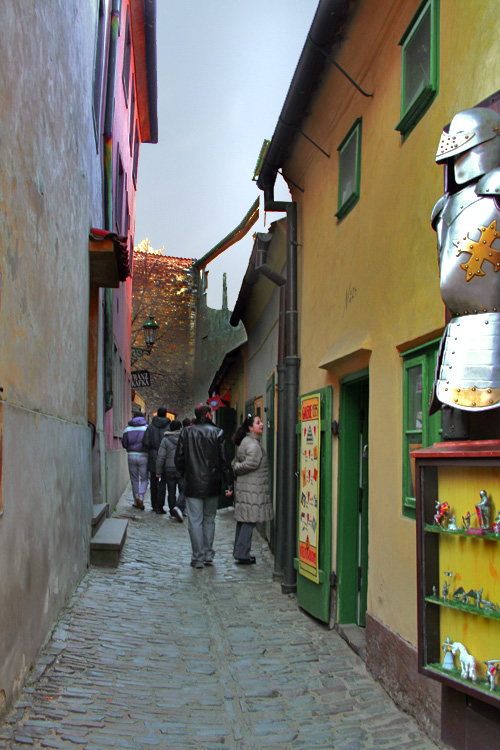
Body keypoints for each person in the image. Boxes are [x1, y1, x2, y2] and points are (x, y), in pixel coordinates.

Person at [175, 403, 233, 568]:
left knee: (195, 520)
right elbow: (225, 461)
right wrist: (228, 482)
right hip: (212, 483)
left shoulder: (186, 433)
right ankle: (208, 553)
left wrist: (183, 475)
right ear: (208, 414)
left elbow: (179, 458)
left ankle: (198, 557)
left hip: (193, 483)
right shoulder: (218, 433)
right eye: (211, 412)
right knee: (209, 520)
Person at [231, 415, 273, 564]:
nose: (261, 424)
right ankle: (242, 554)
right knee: (249, 521)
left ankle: (239, 551)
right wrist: (236, 468)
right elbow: (251, 464)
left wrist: (237, 467)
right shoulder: (254, 445)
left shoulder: (246, 441)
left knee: (244, 520)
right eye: (258, 423)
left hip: (247, 488)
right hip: (252, 489)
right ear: (250, 428)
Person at [142, 407, 171, 513]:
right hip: (166, 455)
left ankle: (154, 504)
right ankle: (160, 505)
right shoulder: (169, 426)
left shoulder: (150, 427)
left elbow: (145, 441)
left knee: (153, 482)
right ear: (166, 414)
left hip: (154, 455)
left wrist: (152, 447)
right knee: (163, 482)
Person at [156, 419, 185, 522]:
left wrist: (158, 470)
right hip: (181, 468)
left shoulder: (165, 439)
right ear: (180, 427)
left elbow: (161, 456)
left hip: (169, 468)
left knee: (171, 491)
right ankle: (181, 508)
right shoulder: (184, 438)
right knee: (183, 489)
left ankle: (173, 510)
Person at [122, 410, 149, 510]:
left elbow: (124, 443)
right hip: (144, 455)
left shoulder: (128, 429)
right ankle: (140, 496)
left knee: (134, 479)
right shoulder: (147, 428)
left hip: (131, 455)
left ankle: (135, 500)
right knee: (145, 478)